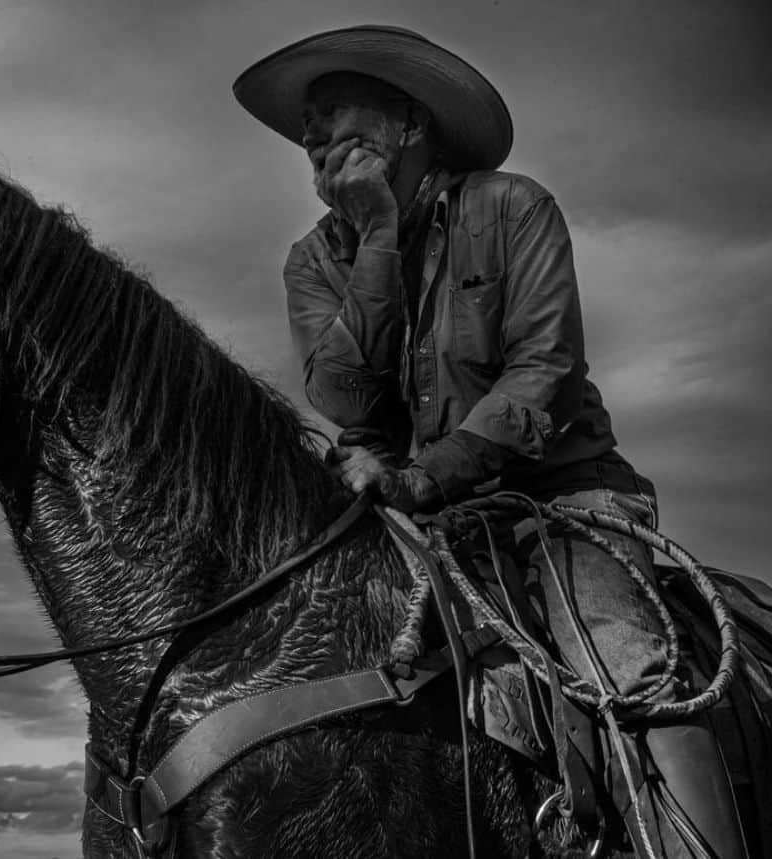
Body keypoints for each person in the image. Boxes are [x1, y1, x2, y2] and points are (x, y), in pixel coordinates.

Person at [234, 26, 748, 858]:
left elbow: (541, 371)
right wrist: (376, 239)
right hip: (408, 520)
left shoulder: (513, 208)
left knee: (626, 665)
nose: (312, 134)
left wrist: (427, 476)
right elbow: (342, 396)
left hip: (563, 499)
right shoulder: (312, 261)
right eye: (308, 128)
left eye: (333, 112)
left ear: (407, 122)